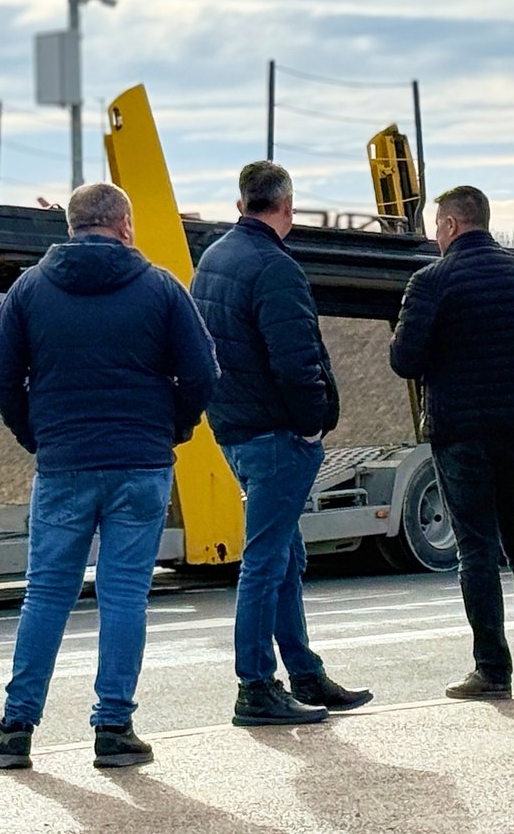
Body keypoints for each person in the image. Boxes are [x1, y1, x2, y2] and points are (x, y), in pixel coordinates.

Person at [0, 183, 219, 769]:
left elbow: (0, 377)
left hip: (64, 465)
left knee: (46, 595)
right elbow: (204, 375)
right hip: (139, 465)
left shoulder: (30, 290)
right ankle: (114, 729)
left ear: (71, 226)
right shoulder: (161, 287)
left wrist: (38, 435)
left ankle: (15, 731)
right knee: (123, 595)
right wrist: (171, 429)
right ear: (125, 225)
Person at [191, 161, 371, 727]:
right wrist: (313, 423)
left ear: (241, 201)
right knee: (267, 561)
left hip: (236, 431)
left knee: (285, 555)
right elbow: (296, 361)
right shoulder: (274, 267)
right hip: (277, 434)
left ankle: (305, 672)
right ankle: (255, 686)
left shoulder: (213, 260)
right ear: (286, 207)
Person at [390, 185, 514, 701]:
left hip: (460, 433)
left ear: (448, 225)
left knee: (477, 549)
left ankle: (492, 670)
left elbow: (405, 359)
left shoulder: (431, 281)